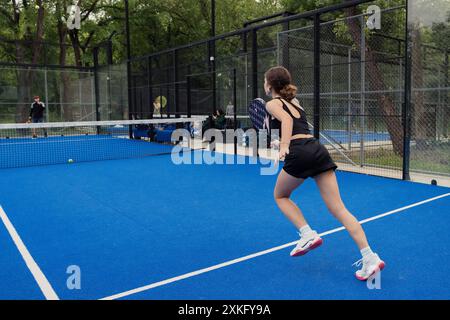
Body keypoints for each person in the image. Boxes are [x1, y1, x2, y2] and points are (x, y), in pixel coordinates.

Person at [264, 66, 384, 281]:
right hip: (316, 149)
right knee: (339, 209)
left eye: (265, 81)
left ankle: (307, 234)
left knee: (280, 196)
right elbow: (297, 127)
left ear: (269, 84)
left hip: (300, 152)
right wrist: (281, 142)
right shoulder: (296, 102)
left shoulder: (272, 103)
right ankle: (370, 257)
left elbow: (288, 122)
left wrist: (283, 146)